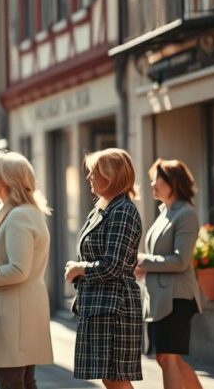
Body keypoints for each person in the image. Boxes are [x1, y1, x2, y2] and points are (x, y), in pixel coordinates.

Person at [0, 151, 53, 389]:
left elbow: (18, 269)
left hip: (14, 318)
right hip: (18, 313)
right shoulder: (22, 213)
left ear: (7, 181)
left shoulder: (19, 216)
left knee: (12, 384)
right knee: (23, 383)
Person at [64, 148, 143, 388]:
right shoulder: (102, 209)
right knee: (110, 378)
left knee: (116, 378)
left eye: (94, 172)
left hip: (114, 307)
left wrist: (80, 268)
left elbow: (113, 266)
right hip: (100, 305)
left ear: (112, 176)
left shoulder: (123, 211)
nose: (88, 177)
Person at [137, 159, 203, 389]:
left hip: (177, 299)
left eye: (157, 179)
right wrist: (144, 266)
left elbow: (180, 260)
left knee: (169, 357)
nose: (152, 184)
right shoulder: (165, 212)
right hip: (160, 299)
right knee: (165, 358)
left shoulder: (186, 214)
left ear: (172, 183)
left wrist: (144, 261)